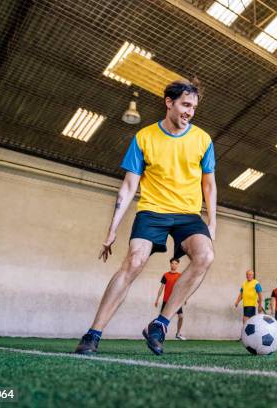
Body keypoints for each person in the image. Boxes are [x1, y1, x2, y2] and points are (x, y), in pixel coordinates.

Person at [74, 79, 217, 356]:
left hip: (188, 213)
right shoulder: (144, 138)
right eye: (185, 105)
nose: (189, 112)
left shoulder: (203, 140)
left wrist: (212, 222)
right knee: (134, 262)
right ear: (169, 102)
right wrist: (112, 229)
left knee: (205, 257)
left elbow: (209, 185)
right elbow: (129, 186)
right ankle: (93, 334)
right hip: (152, 210)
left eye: (194, 107)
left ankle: (160, 323)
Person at [155, 258, 186, 340]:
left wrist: (185, 298)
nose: (174, 265)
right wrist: (157, 299)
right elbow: (161, 288)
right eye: (172, 263)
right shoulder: (165, 275)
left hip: (176, 300)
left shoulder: (180, 276)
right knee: (161, 319)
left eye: (176, 263)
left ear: (178, 265)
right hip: (166, 300)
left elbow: (182, 288)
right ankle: (159, 335)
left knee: (181, 316)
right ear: (170, 264)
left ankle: (178, 333)